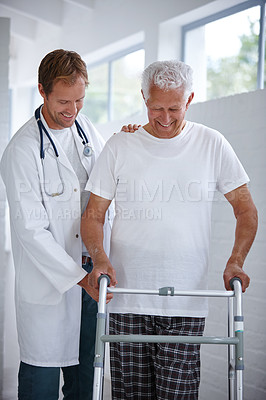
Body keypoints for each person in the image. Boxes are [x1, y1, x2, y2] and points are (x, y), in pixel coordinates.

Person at [80, 60, 258, 400]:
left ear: (189, 100)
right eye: (156, 108)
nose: (164, 118)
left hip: (186, 304)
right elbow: (93, 214)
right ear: (144, 99)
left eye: (174, 108)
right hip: (127, 300)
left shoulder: (212, 144)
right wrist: (100, 259)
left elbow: (246, 209)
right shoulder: (120, 145)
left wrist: (236, 260)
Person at [0, 49, 134, 400]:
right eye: (63, 101)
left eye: (80, 100)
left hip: (92, 275)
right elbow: (31, 231)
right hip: (54, 282)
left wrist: (131, 140)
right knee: (40, 384)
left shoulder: (85, 129)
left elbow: (108, 175)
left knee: (86, 381)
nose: (72, 111)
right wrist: (78, 278)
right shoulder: (23, 150)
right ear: (42, 91)